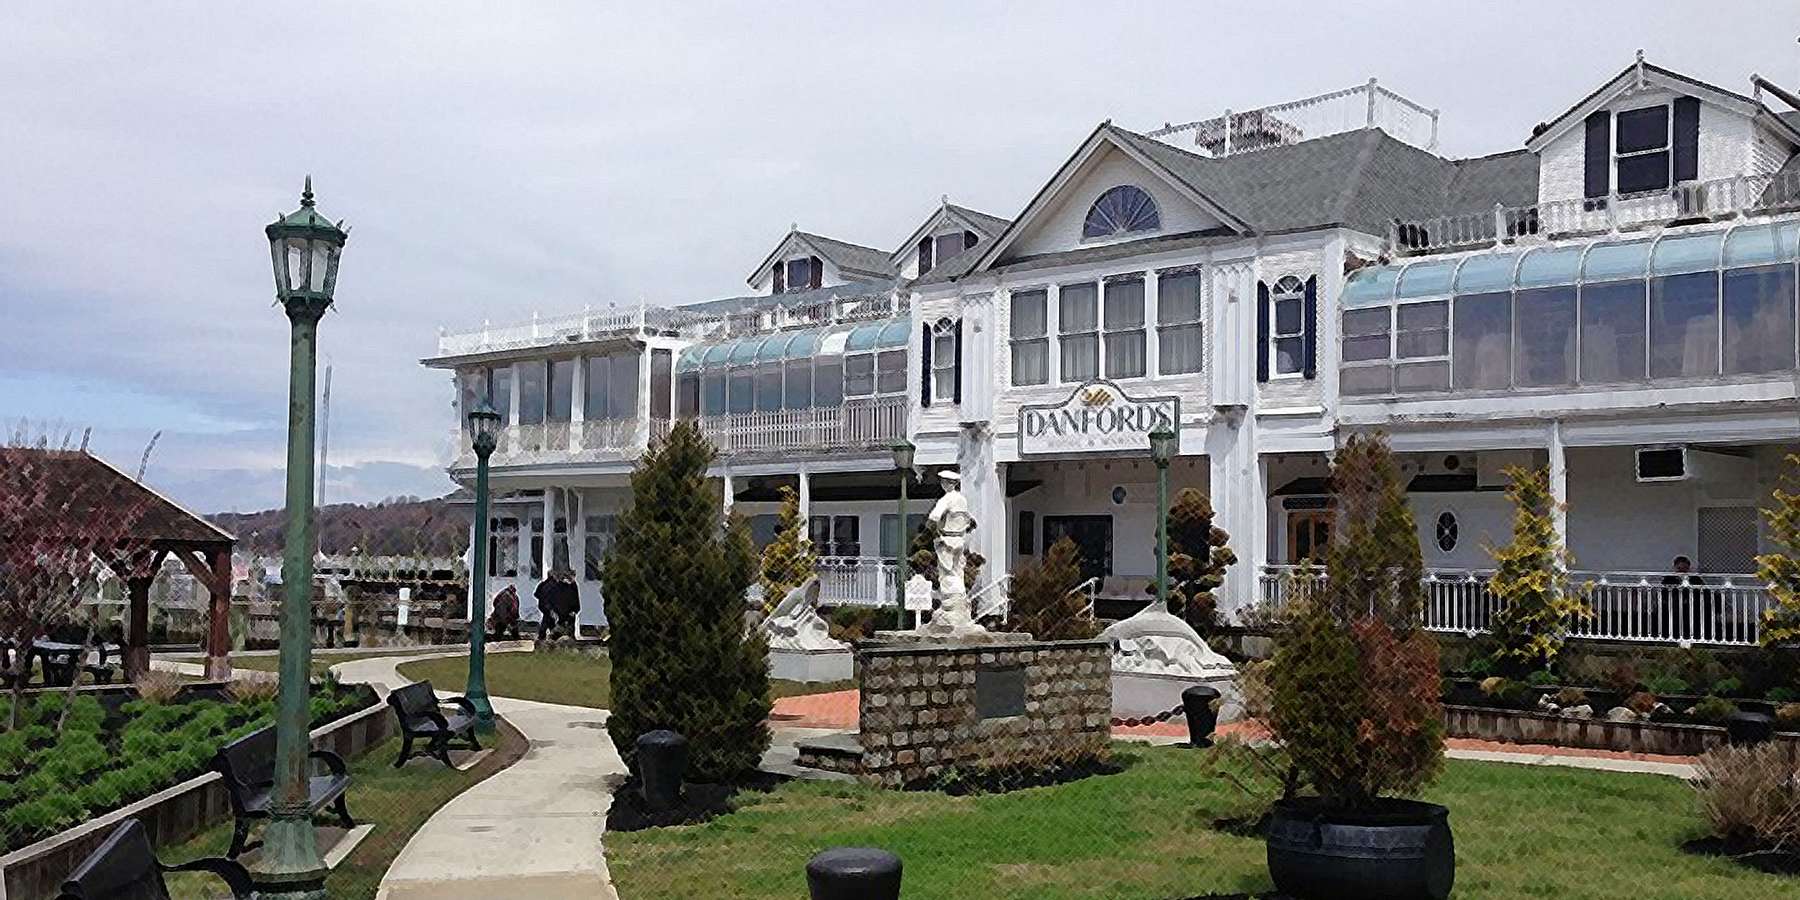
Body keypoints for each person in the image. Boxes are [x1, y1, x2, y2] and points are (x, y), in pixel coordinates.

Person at [534, 568, 580, 644]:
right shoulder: (553, 585)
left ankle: (548, 638)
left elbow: (575, 598)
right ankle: (547, 639)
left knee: (552, 624)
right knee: (550, 624)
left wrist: (575, 609)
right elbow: (549, 598)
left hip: (561, 610)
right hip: (554, 609)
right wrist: (551, 609)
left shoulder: (571, 585)